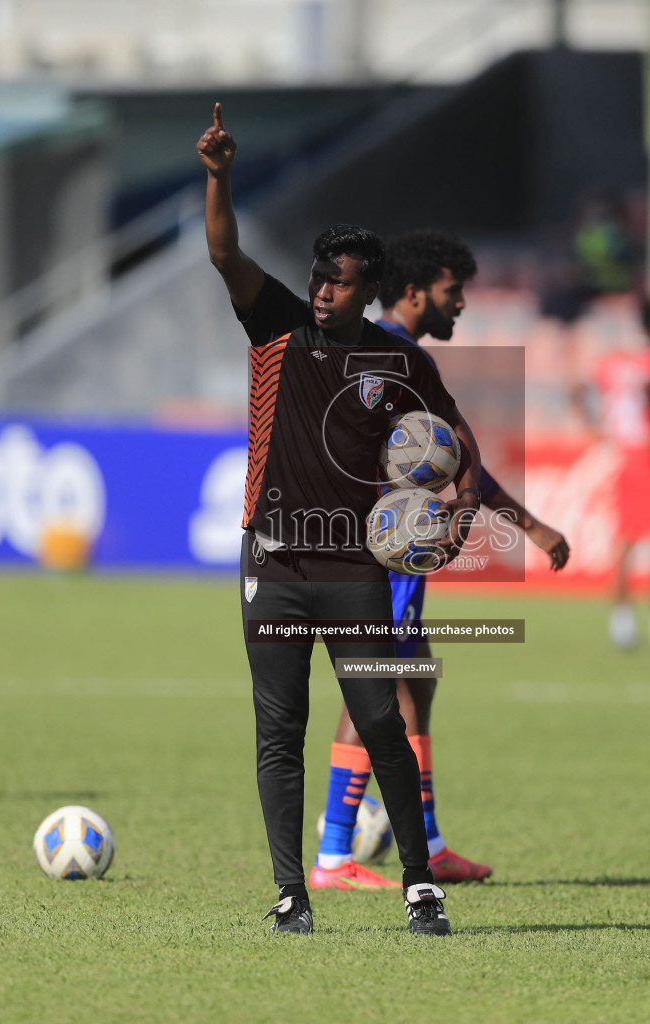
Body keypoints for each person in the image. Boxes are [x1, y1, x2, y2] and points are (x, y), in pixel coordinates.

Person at [199, 104, 483, 936]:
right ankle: (292, 892)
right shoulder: (278, 325)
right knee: (278, 729)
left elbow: (456, 440)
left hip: (354, 568)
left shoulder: (400, 362)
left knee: (378, 721)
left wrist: (457, 503)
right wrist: (218, 175)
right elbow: (222, 251)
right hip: (275, 566)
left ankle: (419, 884)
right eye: (319, 273)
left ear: (370, 289)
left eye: (340, 279)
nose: (322, 288)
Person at [310, 230, 571, 892]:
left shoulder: (394, 354)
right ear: (415, 292)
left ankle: (425, 841)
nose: (460, 306)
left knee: (414, 682)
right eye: (454, 293)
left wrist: (524, 526)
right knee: (380, 686)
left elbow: (459, 456)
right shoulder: (383, 359)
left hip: (389, 550)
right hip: (378, 555)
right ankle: (334, 854)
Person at [574, 299, 650, 654]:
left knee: (625, 538)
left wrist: (596, 432)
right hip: (646, 456)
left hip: (618, 454)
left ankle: (622, 624)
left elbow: (575, 390)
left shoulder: (613, 360)